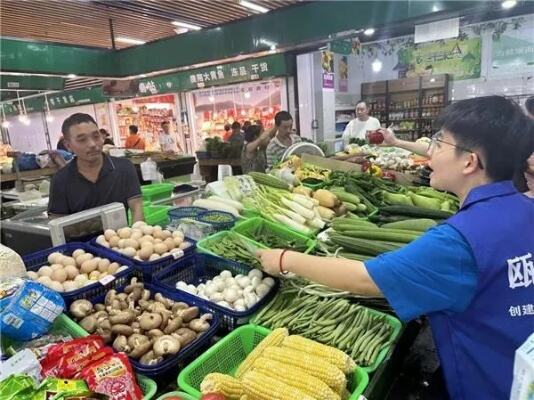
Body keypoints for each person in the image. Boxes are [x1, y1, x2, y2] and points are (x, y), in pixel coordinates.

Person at [257, 96, 534, 400]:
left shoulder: (460, 240)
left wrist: (285, 259)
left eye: (439, 144)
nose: (430, 154)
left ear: (470, 161)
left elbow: (364, 279)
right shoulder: (526, 208)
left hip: (487, 386)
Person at [48, 113, 143, 222]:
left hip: (119, 237)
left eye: (96, 136)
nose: (92, 144)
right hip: (79, 239)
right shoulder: (60, 180)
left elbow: (137, 208)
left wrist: (137, 233)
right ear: (68, 145)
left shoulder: (124, 168)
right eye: (82, 140)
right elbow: (57, 222)